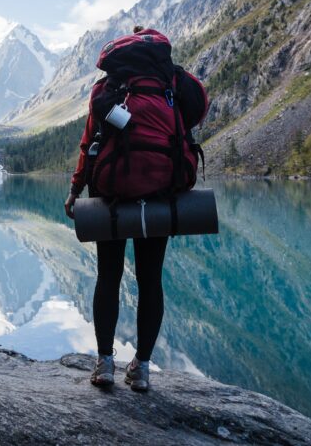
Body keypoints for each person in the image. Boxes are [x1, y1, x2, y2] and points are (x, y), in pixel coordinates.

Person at [64, 25, 208, 392]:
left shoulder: (108, 88)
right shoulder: (171, 84)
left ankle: (104, 364)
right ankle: (142, 368)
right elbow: (195, 116)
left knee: (108, 277)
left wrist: (75, 190)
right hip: (160, 191)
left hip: (111, 193)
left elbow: (88, 143)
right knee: (151, 281)